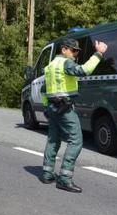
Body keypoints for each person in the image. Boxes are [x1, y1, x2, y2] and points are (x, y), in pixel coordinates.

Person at [40, 38, 108, 193]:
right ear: (64, 49)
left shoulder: (50, 66)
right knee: (76, 140)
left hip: (52, 107)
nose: (75, 54)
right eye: (73, 50)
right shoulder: (66, 63)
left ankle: (47, 173)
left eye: (77, 51)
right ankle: (64, 179)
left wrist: (46, 107)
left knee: (53, 140)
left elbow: (43, 89)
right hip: (64, 108)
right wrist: (98, 54)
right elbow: (84, 71)